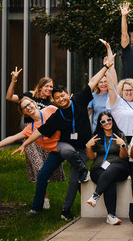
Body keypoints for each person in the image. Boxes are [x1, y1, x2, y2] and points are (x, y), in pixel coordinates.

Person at [15, 45, 115, 220]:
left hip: (83, 147)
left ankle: (66, 211)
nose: (61, 99)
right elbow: (39, 131)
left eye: (63, 95)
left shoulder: (79, 100)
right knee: (45, 172)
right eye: (57, 98)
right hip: (64, 146)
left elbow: (93, 81)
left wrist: (106, 66)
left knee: (73, 181)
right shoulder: (56, 115)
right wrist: (25, 144)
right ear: (54, 100)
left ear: (68, 94)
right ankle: (36, 208)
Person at [0, 97, 65, 210]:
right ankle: (36, 208)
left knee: (79, 171)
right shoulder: (30, 129)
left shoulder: (50, 109)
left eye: (29, 104)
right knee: (42, 175)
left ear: (34, 103)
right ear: (24, 112)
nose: (28, 107)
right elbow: (12, 138)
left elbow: (66, 115)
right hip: (55, 153)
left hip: (67, 145)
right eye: (24, 107)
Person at [85, 111, 130, 225]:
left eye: (109, 119)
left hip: (119, 167)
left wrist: (122, 145)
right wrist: (88, 147)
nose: (107, 122)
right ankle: (111, 216)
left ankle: (96, 195)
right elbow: (91, 157)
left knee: (112, 169)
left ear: (112, 120)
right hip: (99, 169)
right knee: (109, 180)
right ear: (100, 124)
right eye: (103, 121)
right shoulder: (97, 137)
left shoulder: (120, 135)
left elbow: (123, 156)